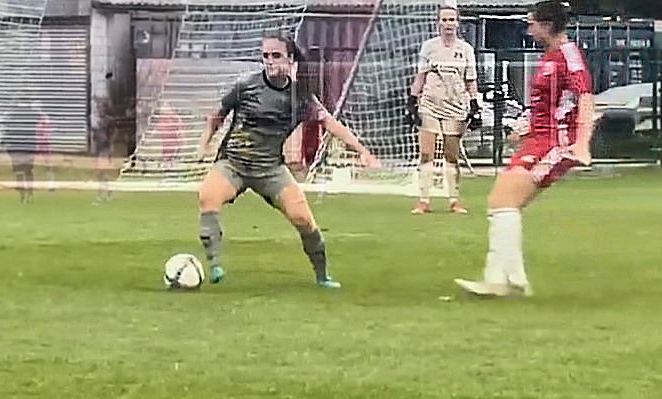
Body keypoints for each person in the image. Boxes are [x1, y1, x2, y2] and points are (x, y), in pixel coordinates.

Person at [197, 31, 379, 288]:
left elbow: (330, 123)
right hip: (234, 163)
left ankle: (322, 276)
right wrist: (205, 143)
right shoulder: (246, 86)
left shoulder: (301, 97)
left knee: (303, 219)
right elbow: (217, 115)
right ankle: (214, 265)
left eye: (276, 55)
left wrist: (362, 150)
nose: (270, 61)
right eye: (265, 56)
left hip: (270, 169)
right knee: (208, 196)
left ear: (291, 59)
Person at [454, 0, 594, 296]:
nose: (529, 30)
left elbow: (585, 98)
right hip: (539, 138)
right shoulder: (550, 57)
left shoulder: (568, 55)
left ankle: (504, 280)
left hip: (556, 143)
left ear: (546, 25)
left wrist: (582, 144)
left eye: (532, 24)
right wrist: (527, 126)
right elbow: (555, 102)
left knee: (503, 202)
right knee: (502, 203)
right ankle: (509, 280)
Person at [406, 3, 479, 215]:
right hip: (430, 104)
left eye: (451, 20)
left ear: (457, 23)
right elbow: (420, 76)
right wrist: (412, 100)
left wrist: (475, 105)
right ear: (438, 23)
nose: (448, 24)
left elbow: (471, 80)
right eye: (444, 20)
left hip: (455, 106)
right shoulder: (429, 47)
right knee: (427, 153)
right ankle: (424, 200)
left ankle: (454, 200)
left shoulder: (465, 50)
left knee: (451, 155)